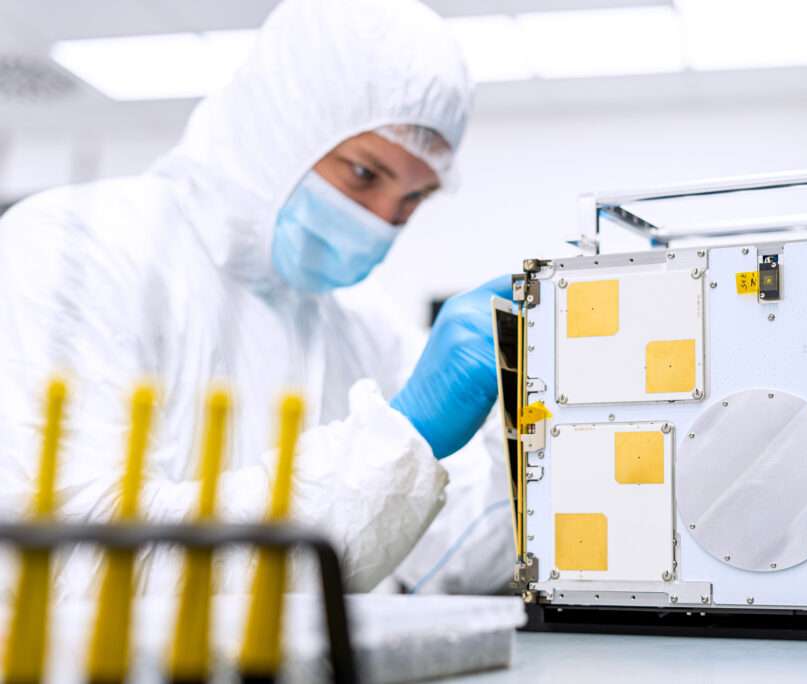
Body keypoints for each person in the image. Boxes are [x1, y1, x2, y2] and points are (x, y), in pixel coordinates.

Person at [0, 0, 514, 599]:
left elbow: (438, 558)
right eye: (365, 175)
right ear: (285, 124)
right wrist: (402, 440)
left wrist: (532, 436)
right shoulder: (75, 251)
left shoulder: (361, 323)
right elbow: (78, 561)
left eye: (414, 198)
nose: (383, 222)